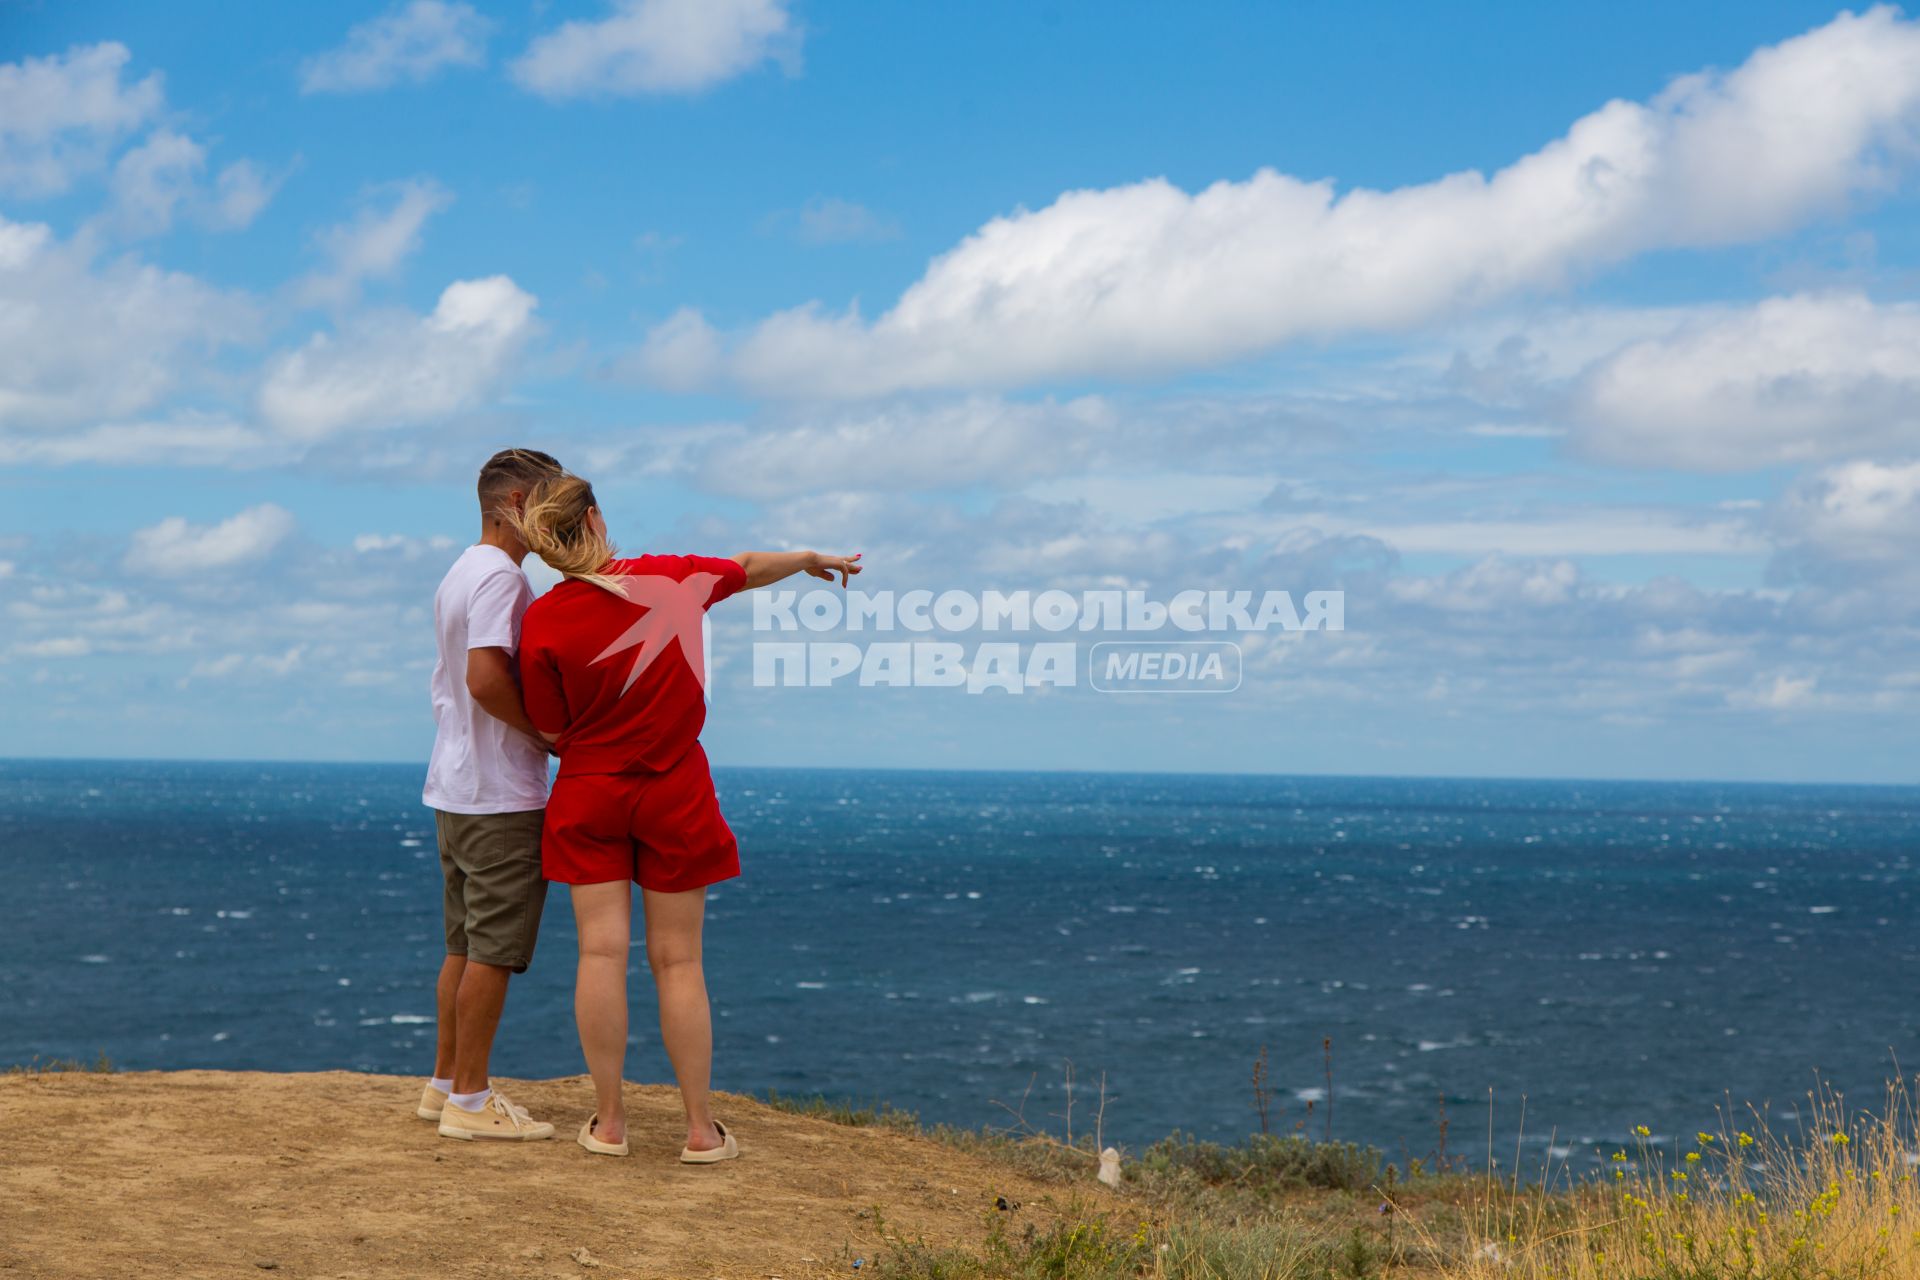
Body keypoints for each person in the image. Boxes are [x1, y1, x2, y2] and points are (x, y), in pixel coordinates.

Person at [510, 472, 860, 1161]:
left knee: (600, 954)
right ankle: (701, 1131)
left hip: (589, 791)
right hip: (675, 790)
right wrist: (809, 558)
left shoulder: (545, 620)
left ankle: (609, 1124)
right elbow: (751, 566)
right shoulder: (673, 580)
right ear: (598, 517)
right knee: (679, 962)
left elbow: (550, 728)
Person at [418, 447, 565, 1142]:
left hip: (455, 785)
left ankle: (444, 1083)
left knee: (462, 945)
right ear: (514, 506)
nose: (557, 514)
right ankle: (470, 1104)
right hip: (499, 792)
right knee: (493, 953)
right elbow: (483, 677)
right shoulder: (503, 580)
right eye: (548, 500)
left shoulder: (461, 571)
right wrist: (549, 733)